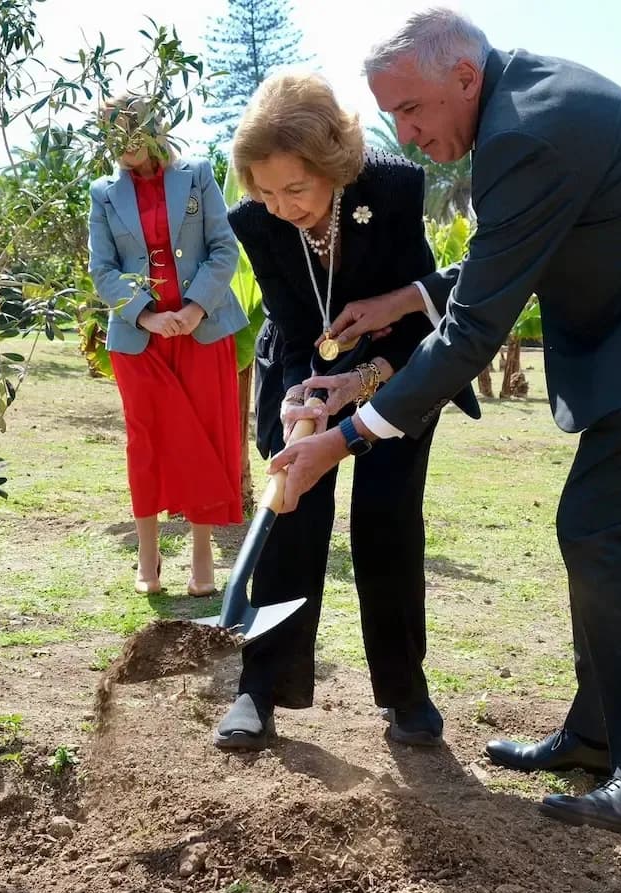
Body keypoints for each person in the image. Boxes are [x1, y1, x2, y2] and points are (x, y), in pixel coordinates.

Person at [267, 9, 621, 841]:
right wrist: (404, 299)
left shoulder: (524, 133)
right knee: (592, 527)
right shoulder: (520, 108)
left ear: (464, 78)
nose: (404, 132)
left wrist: (346, 437)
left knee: (597, 528)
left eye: (411, 110)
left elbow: (473, 333)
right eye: (392, 114)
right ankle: (600, 732)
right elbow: (507, 250)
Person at [213, 72, 480, 751]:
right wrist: (303, 396)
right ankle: (259, 687)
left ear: (332, 161)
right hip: (303, 366)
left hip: (399, 368)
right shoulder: (257, 222)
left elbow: (423, 313)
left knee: (386, 519)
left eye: (295, 188)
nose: (281, 206)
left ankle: (405, 693)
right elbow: (295, 323)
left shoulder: (391, 189)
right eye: (266, 191)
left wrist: (364, 378)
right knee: (291, 513)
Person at [87, 94, 249, 596]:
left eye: (126, 132)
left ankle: (202, 555)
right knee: (147, 440)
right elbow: (103, 269)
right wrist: (149, 316)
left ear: (152, 129)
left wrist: (195, 307)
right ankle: (147, 553)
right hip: (140, 340)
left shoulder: (197, 174)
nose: (119, 146)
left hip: (202, 332)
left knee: (203, 434)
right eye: (109, 135)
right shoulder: (103, 193)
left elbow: (225, 247)